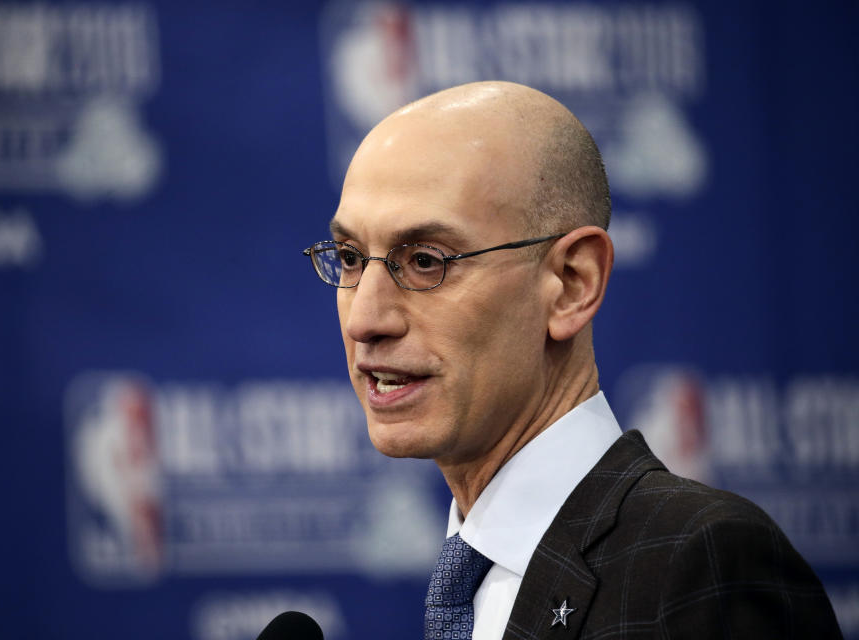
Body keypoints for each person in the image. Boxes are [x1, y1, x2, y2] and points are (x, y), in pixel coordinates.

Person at [302, 81, 842, 639]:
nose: (363, 320)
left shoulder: (703, 562)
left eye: (424, 260)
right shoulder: (473, 579)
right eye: (348, 257)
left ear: (570, 285)